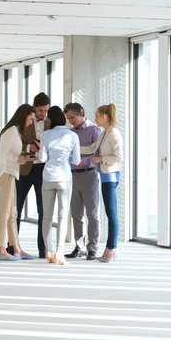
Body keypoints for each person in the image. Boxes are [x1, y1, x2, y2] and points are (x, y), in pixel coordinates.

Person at [8, 92, 51, 258]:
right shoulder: (23, 121)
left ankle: (43, 249)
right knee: (16, 208)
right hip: (25, 168)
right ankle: (12, 246)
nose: (43, 114)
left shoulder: (50, 122)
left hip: (43, 169)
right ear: (34, 107)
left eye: (45, 110)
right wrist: (29, 149)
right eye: (40, 110)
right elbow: (15, 142)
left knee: (43, 210)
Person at [38, 106, 81, 265]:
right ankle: (60, 252)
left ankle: (48, 252)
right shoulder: (72, 136)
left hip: (48, 177)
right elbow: (76, 161)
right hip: (64, 178)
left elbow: (42, 158)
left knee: (47, 217)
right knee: (62, 217)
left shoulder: (45, 135)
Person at [80, 104, 123, 263]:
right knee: (109, 213)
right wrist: (75, 148)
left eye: (97, 115)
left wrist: (101, 159)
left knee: (111, 214)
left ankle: (111, 249)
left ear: (104, 116)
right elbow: (92, 148)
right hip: (105, 176)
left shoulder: (114, 134)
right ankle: (110, 249)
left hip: (110, 176)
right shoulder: (105, 133)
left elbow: (119, 157)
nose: (95, 118)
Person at [0, 104, 37, 261]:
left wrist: (22, 158)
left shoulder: (16, 131)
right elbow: (4, 153)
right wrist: (18, 158)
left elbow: (11, 153)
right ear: (24, 115)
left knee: (13, 213)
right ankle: (1, 249)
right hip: (5, 174)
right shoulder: (12, 130)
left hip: (12, 174)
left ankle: (16, 248)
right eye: (31, 118)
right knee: (4, 213)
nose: (31, 122)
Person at [63, 103, 102, 260]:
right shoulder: (70, 133)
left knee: (92, 214)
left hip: (89, 175)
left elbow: (97, 153)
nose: (70, 121)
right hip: (73, 176)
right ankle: (79, 247)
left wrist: (83, 162)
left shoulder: (94, 130)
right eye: (68, 118)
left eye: (72, 117)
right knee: (76, 214)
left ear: (81, 114)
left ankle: (92, 248)